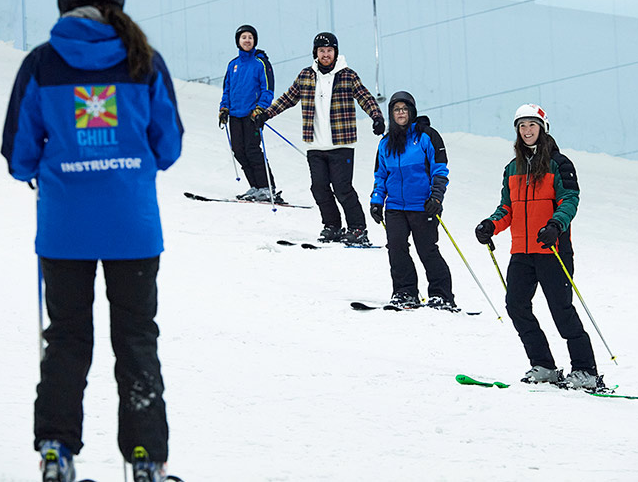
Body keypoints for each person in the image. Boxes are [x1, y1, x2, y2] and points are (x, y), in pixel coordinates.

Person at [0, 0, 183, 481]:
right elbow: (167, 148)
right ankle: (147, 460)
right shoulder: (144, 59)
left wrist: (54, 161)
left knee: (67, 338)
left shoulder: (41, 63)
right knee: (136, 339)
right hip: (133, 228)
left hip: (64, 231)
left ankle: (56, 451)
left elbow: (18, 156)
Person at [474, 103, 602, 391]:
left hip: (552, 249)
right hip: (521, 251)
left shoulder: (560, 164)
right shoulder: (512, 168)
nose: (527, 130)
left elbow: (570, 200)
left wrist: (555, 226)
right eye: (522, 126)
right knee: (516, 305)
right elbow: (507, 208)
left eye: (532, 124)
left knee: (561, 310)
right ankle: (544, 365)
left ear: (542, 128)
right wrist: (490, 225)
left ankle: (585, 371)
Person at [253, 32, 385, 245]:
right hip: (315, 144)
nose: (325, 55)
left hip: (342, 143)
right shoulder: (306, 75)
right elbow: (288, 98)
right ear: (316, 53)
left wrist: (377, 117)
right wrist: (266, 114)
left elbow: (365, 97)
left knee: (343, 188)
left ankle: (358, 228)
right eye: (322, 51)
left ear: (335, 52)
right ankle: (332, 226)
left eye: (329, 51)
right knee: (319, 188)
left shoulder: (348, 75)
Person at [369, 91, 454, 308]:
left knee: (427, 249)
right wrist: (377, 200)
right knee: (396, 248)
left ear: (411, 112)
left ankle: (441, 295)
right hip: (395, 207)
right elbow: (381, 175)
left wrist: (436, 196)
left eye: (404, 109)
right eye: (396, 109)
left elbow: (439, 169)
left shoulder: (427, 136)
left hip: (423, 205)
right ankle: (405, 292)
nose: (401, 113)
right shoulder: (386, 143)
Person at [218, 24, 280, 202]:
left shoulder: (261, 63)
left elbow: (267, 89)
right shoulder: (233, 65)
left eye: (250, 38)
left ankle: (268, 188)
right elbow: (227, 89)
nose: (247, 40)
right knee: (239, 150)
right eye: (243, 37)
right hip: (235, 115)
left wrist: (260, 109)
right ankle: (255, 186)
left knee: (252, 150)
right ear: (238, 41)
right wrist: (224, 108)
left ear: (254, 41)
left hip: (252, 115)